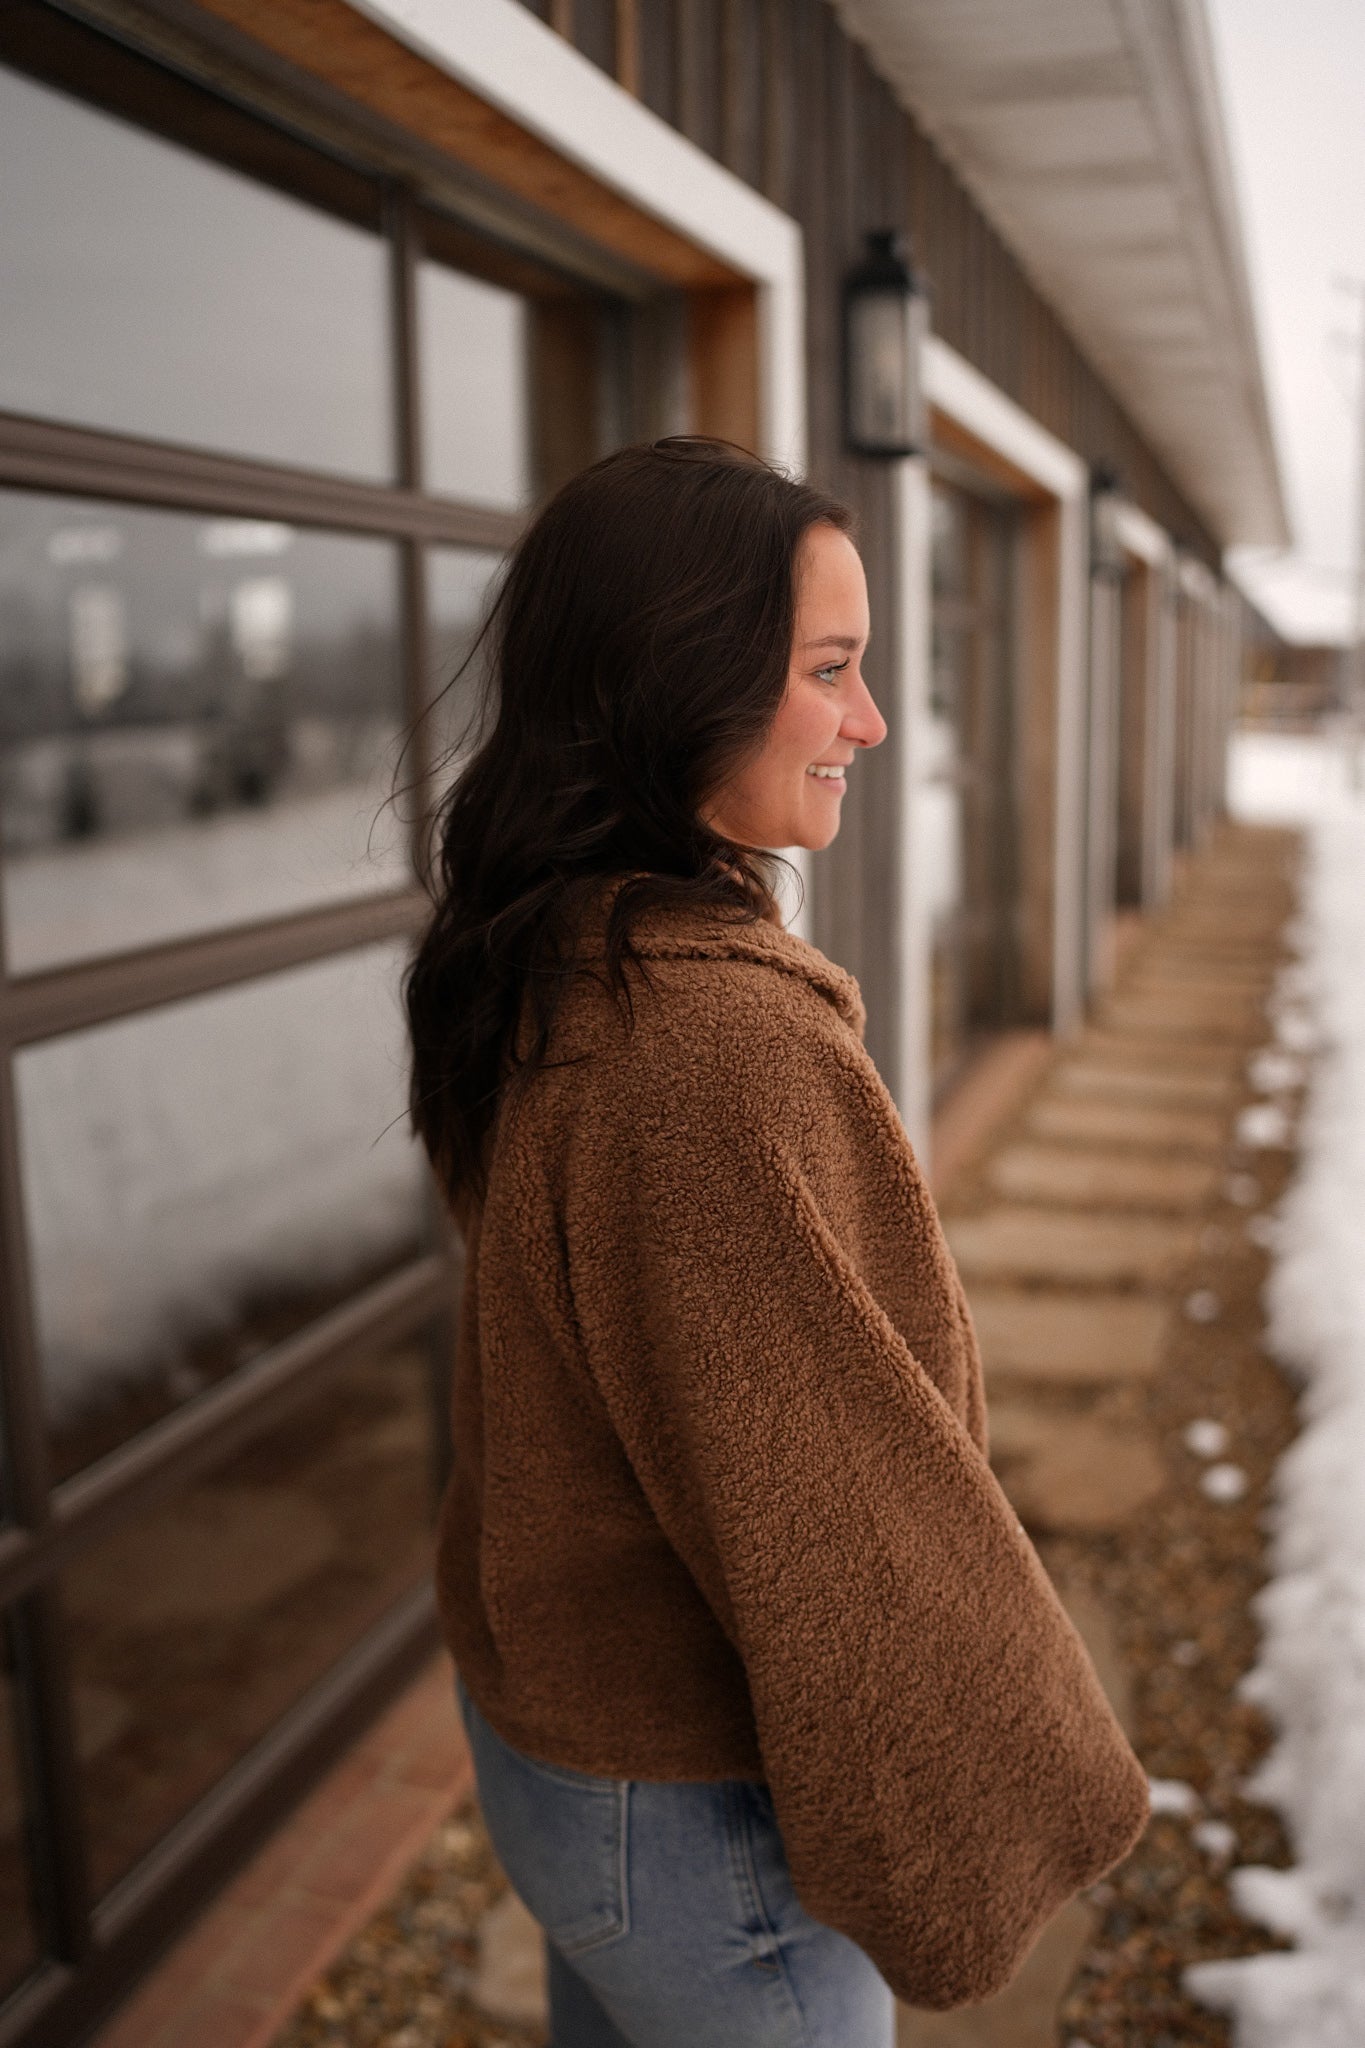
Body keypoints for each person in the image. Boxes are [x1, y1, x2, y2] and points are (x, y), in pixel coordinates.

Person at [402, 437, 1149, 2048]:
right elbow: (836, 1515)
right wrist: (984, 1817)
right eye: (829, 670)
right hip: (691, 1826)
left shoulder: (546, 949)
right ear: (673, 679)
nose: (870, 722)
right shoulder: (710, 1046)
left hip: (555, 1751)